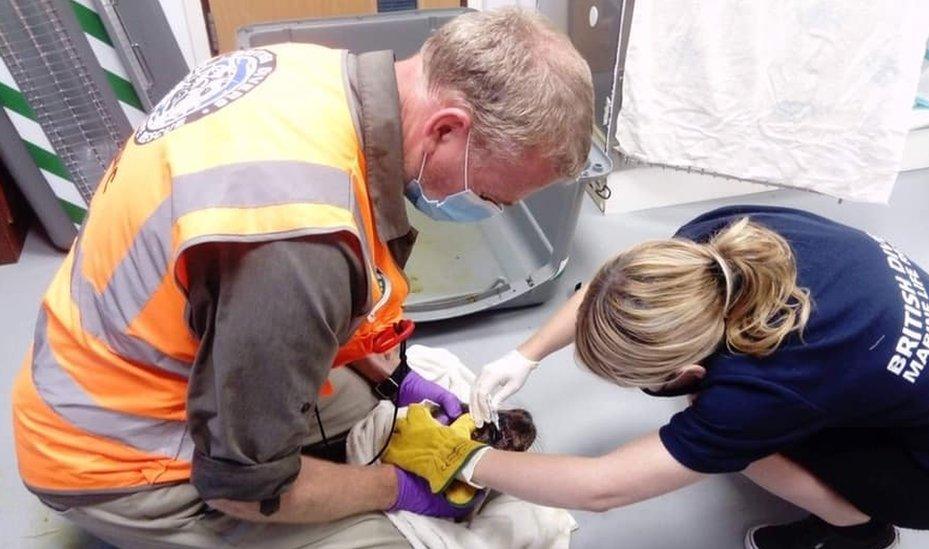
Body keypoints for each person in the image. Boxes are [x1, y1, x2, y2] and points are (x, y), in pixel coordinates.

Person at [11, 8, 593, 548]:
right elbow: (244, 485)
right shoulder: (296, 245)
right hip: (113, 456)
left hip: (107, 359)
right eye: (490, 194)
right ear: (447, 129)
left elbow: (286, 308)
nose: (489, 210)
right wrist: (393, 490)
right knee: (402, 537)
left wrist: (395, 381)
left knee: (370, 406)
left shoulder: (307, 71)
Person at [385, 205, 929, 549]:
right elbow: (616, 284)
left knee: (742, 450)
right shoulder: (716, 246)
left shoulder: (761, 389)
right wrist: (527, 354)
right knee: (751, 420)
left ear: (690, 368)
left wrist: (459, 459)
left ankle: (860, 532)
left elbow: (604, 488)